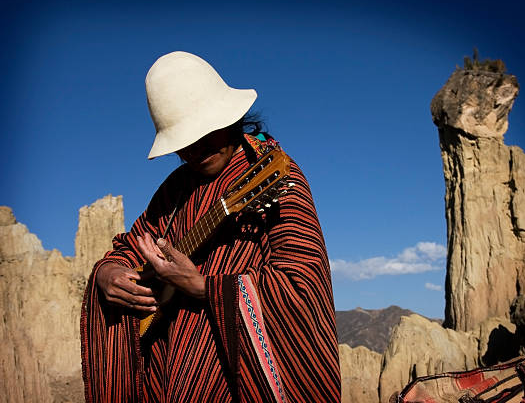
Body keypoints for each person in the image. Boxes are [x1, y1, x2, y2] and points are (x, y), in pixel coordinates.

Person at [80, 51, 341, 402]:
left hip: (237, 380)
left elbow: (302, 284)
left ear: (229, 118)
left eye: (204, 134)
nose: (194, 150)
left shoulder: (274, 174)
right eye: (184, 143)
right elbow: (133, 243)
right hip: (170, 373)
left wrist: (204, 287)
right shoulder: (174, 190)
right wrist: (108, 273)